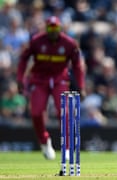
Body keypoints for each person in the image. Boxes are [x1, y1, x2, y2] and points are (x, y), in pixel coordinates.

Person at [16, 16, 86, 160]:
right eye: (50, 28)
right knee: (36, 112)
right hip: (39, 80)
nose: (53, 31)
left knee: (64, 111)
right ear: (46, 28)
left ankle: (66, 147)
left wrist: (81, 85)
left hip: (59, 80)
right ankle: (44, 141)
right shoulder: (36, 41)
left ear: (59, 28)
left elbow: (78, 66)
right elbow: (23, 59)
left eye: (55, 28)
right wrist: (20, 79)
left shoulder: (69, 43)